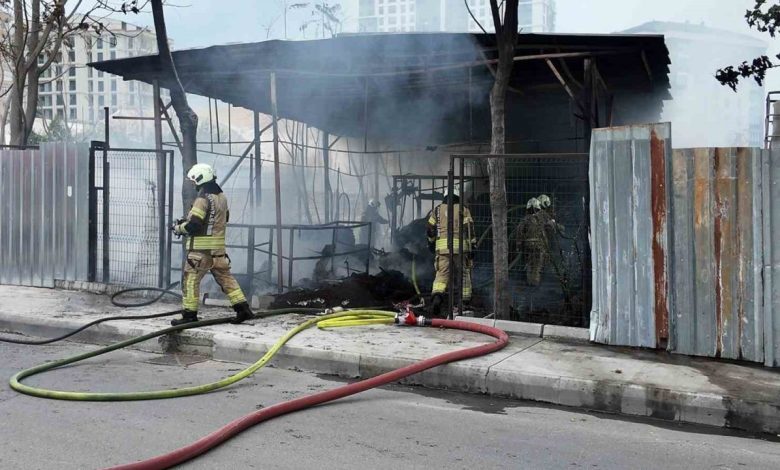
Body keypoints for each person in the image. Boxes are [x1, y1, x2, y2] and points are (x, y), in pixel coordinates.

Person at [171, 163, 252, 326]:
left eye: (194, 181)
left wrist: (179, 228)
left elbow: (194, 225)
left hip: (201, 252)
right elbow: (220, 220)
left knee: (190, 280)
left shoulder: (202, 198)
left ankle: (189, 315)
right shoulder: (221, 198)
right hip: (218, 251)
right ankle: (243, 309)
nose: (193, 184)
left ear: (200, 179)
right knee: (227, 280)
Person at [426, 188, 476, 317]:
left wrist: (431, 242)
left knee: (442, 275)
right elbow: (469, 229)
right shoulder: (463, 209)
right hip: (460, 249)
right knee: (464, 274)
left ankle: (437, 296)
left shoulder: (437, 210)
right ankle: (464, 302)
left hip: (442, 249)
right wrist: (473, 245)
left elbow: (430, 228)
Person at [516, 197, 547, 287]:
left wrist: (518, 246)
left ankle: (530, 283)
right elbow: (544, 234)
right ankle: (535, 284)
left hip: (528, 246)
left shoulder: (525, 220)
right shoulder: (541, 220)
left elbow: (519, 232)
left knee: (530, 264)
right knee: (537, 266)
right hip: (539, 246)